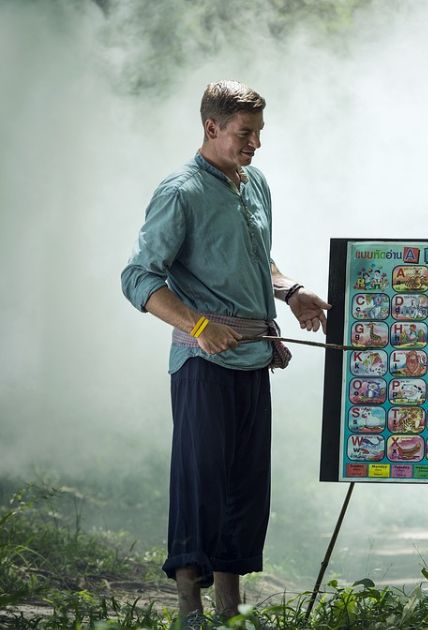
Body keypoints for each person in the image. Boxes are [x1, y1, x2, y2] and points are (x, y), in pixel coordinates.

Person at [120, 80, 330, 620]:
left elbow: (257, 259)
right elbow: (139, 277)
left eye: (258, 133)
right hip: (202, 361)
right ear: (211, 128)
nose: (255, 143)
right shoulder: (180, 191)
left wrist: (291, 291)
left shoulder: (254, 183)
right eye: (244, 133)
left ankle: (229, 605)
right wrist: (199, 324)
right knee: (201, 477)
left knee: (245, 481)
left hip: (254, 356)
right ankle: (189, 599)